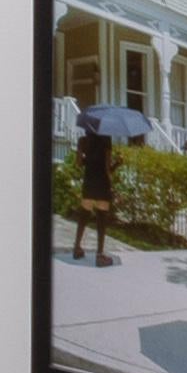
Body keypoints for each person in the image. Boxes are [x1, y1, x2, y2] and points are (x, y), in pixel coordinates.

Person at [67, 114, 121, 266]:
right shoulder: (106, 140)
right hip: (102, 182)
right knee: (101, 220)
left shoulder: (83, 141)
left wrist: (80, 150)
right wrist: (118, 163)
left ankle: (77, 248)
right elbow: (107, 168)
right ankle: (99, 255)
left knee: (83, 217)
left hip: (89, 182)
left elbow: (79, 163)